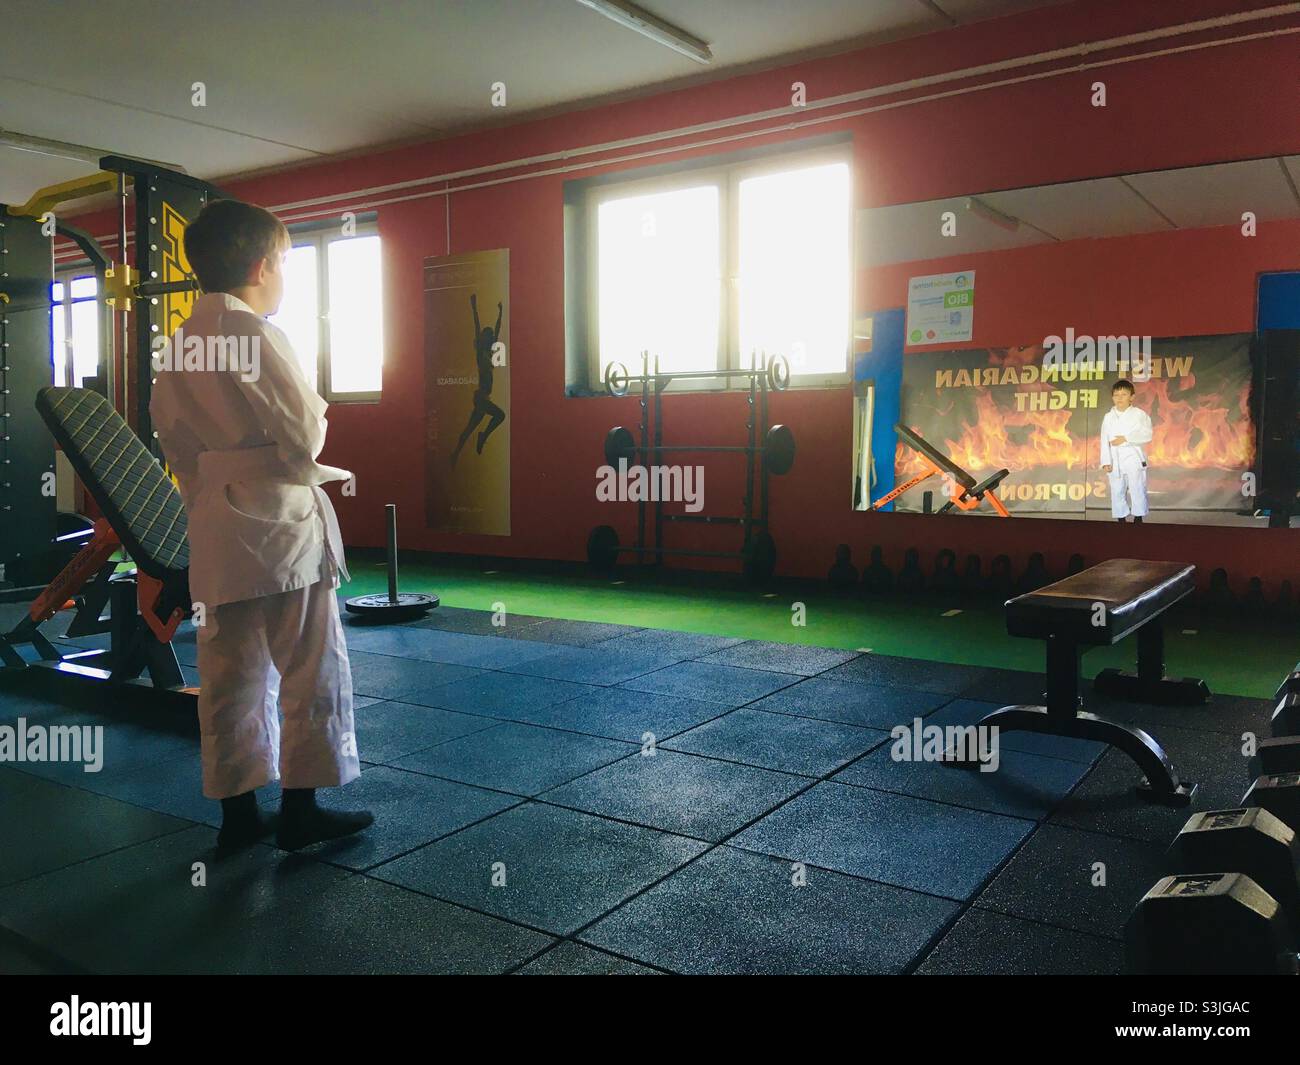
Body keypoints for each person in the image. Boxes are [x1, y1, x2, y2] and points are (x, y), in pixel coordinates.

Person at [150, 198, 373, 852]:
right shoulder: (254, 335)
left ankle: (239, 817)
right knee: (309, 664)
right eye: (284, 263)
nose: (284, 276)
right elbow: (303, 434)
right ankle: (301, 808)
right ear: (262, 264)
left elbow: (176, 444)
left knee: (228, 669)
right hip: (278, 528)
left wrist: (215, 483)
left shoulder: (181, 343)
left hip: (216, 527)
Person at [449, 292, 505, 465]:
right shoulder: (481, 353)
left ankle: (455, 454)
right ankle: (483, 436)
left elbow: (497, 331)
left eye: (490, 336)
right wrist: (474, 307)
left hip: (484, 398)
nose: (490, 337)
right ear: (483, 339)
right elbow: (477, 325)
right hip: (481, 397)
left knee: (469, 429)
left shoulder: (489, 352)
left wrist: (500, 313)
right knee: (500, 415)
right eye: (487, 335)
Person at [1099, 378, 1153, 523]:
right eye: (1116, 395)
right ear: (1112, 398)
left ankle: (1138, 516)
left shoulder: (1139, 415)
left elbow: (1147, 434)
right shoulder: (1108, 417)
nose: (1119, 398)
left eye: (1123, 395)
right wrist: (1105, 461)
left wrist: (1126, 438)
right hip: (1115, 457)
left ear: (1132, 397)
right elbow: (1104, 439)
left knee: (1137, 487)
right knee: (1117, 489)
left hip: (1133, 456)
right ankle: (1121, 517)